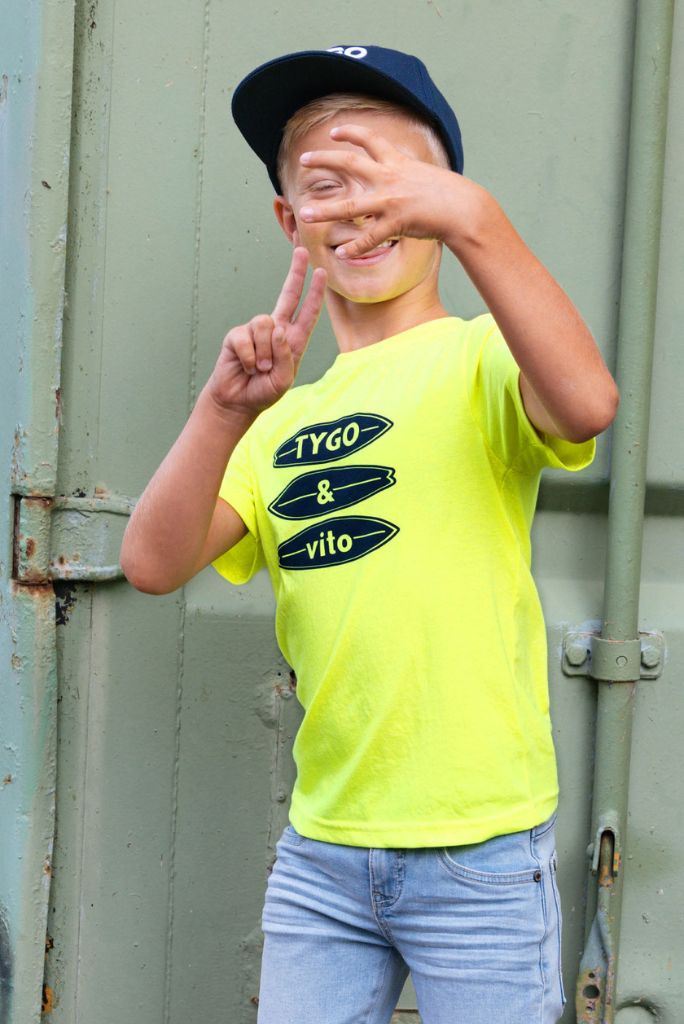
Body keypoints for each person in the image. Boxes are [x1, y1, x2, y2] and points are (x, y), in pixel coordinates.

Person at [120, 44, 618, 1024]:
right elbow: (151, 562)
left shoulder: (483, 358)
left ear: (443, 198)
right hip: (324, 855)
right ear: (290, 222)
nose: (359, 209)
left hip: (479, 848)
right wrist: (224, 410)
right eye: (327, 187)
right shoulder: (280, 421)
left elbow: (586, 402)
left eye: (390, 181)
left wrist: (476, 222)